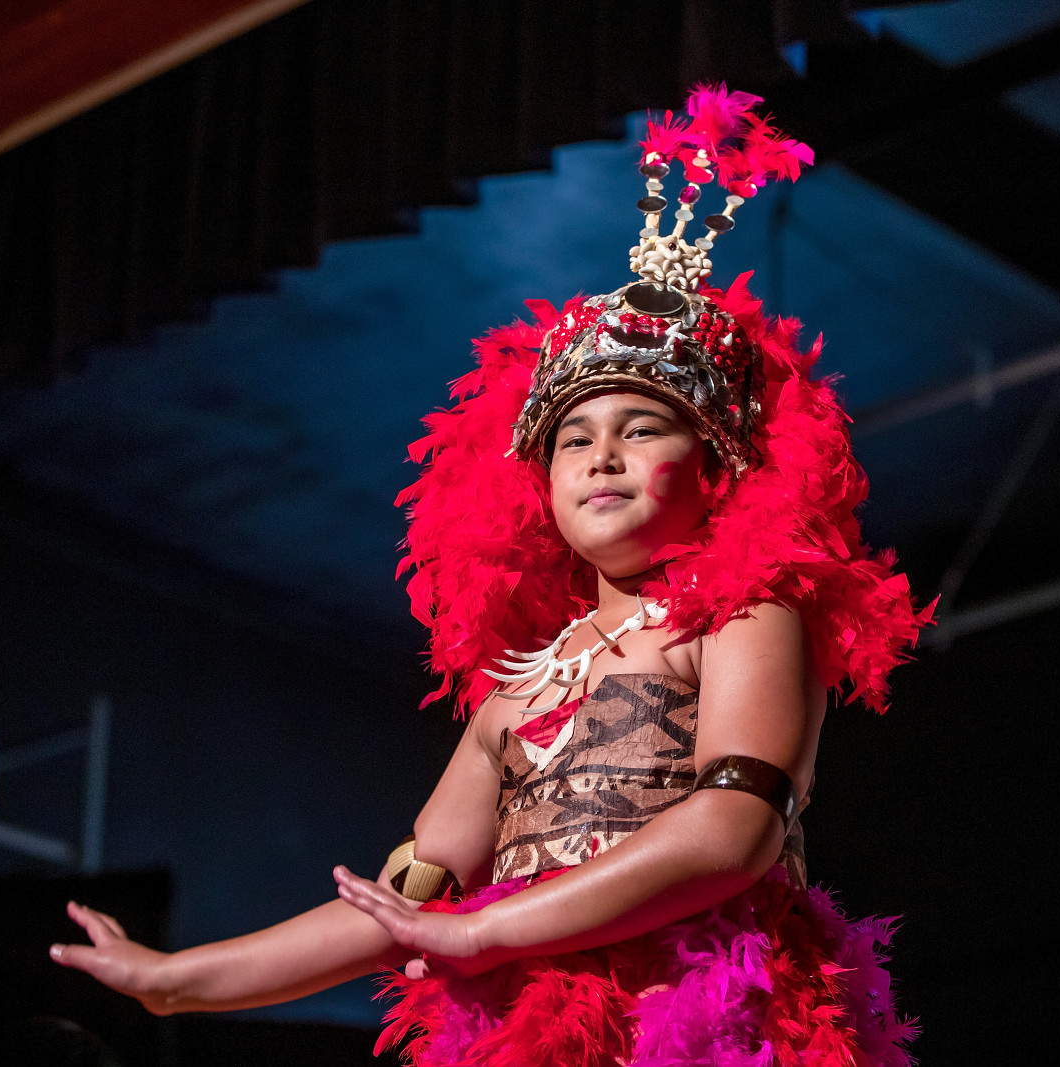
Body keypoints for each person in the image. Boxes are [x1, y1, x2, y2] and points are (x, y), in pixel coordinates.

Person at [51, 85, 931, 1066]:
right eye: (573, 440)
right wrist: (177, 980)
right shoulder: (516, 692)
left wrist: (483, 930)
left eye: (642, 429)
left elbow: (734, 828)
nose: (601, 457)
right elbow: (402, 904)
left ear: (716, 468)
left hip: (698, 1020)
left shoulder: (741, 616)